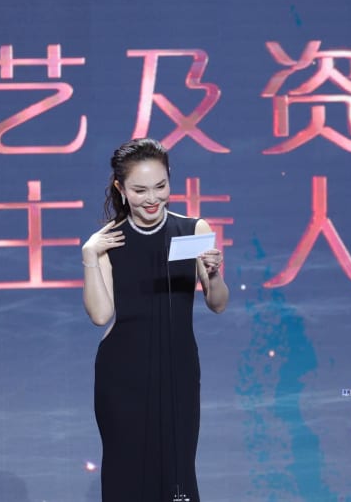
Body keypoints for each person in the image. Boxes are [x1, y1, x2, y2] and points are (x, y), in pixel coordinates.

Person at [82, 138, 229, 502]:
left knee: (177, 471)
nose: (152, 198)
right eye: (140, 190)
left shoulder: (192, 230)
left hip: (178, 369)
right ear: (121, 188)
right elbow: (100, 315)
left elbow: (217, 303)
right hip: (122, 376)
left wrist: (214, 274)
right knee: (126, 472)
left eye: (160, 186)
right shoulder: (108, 241)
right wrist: (89, 256)